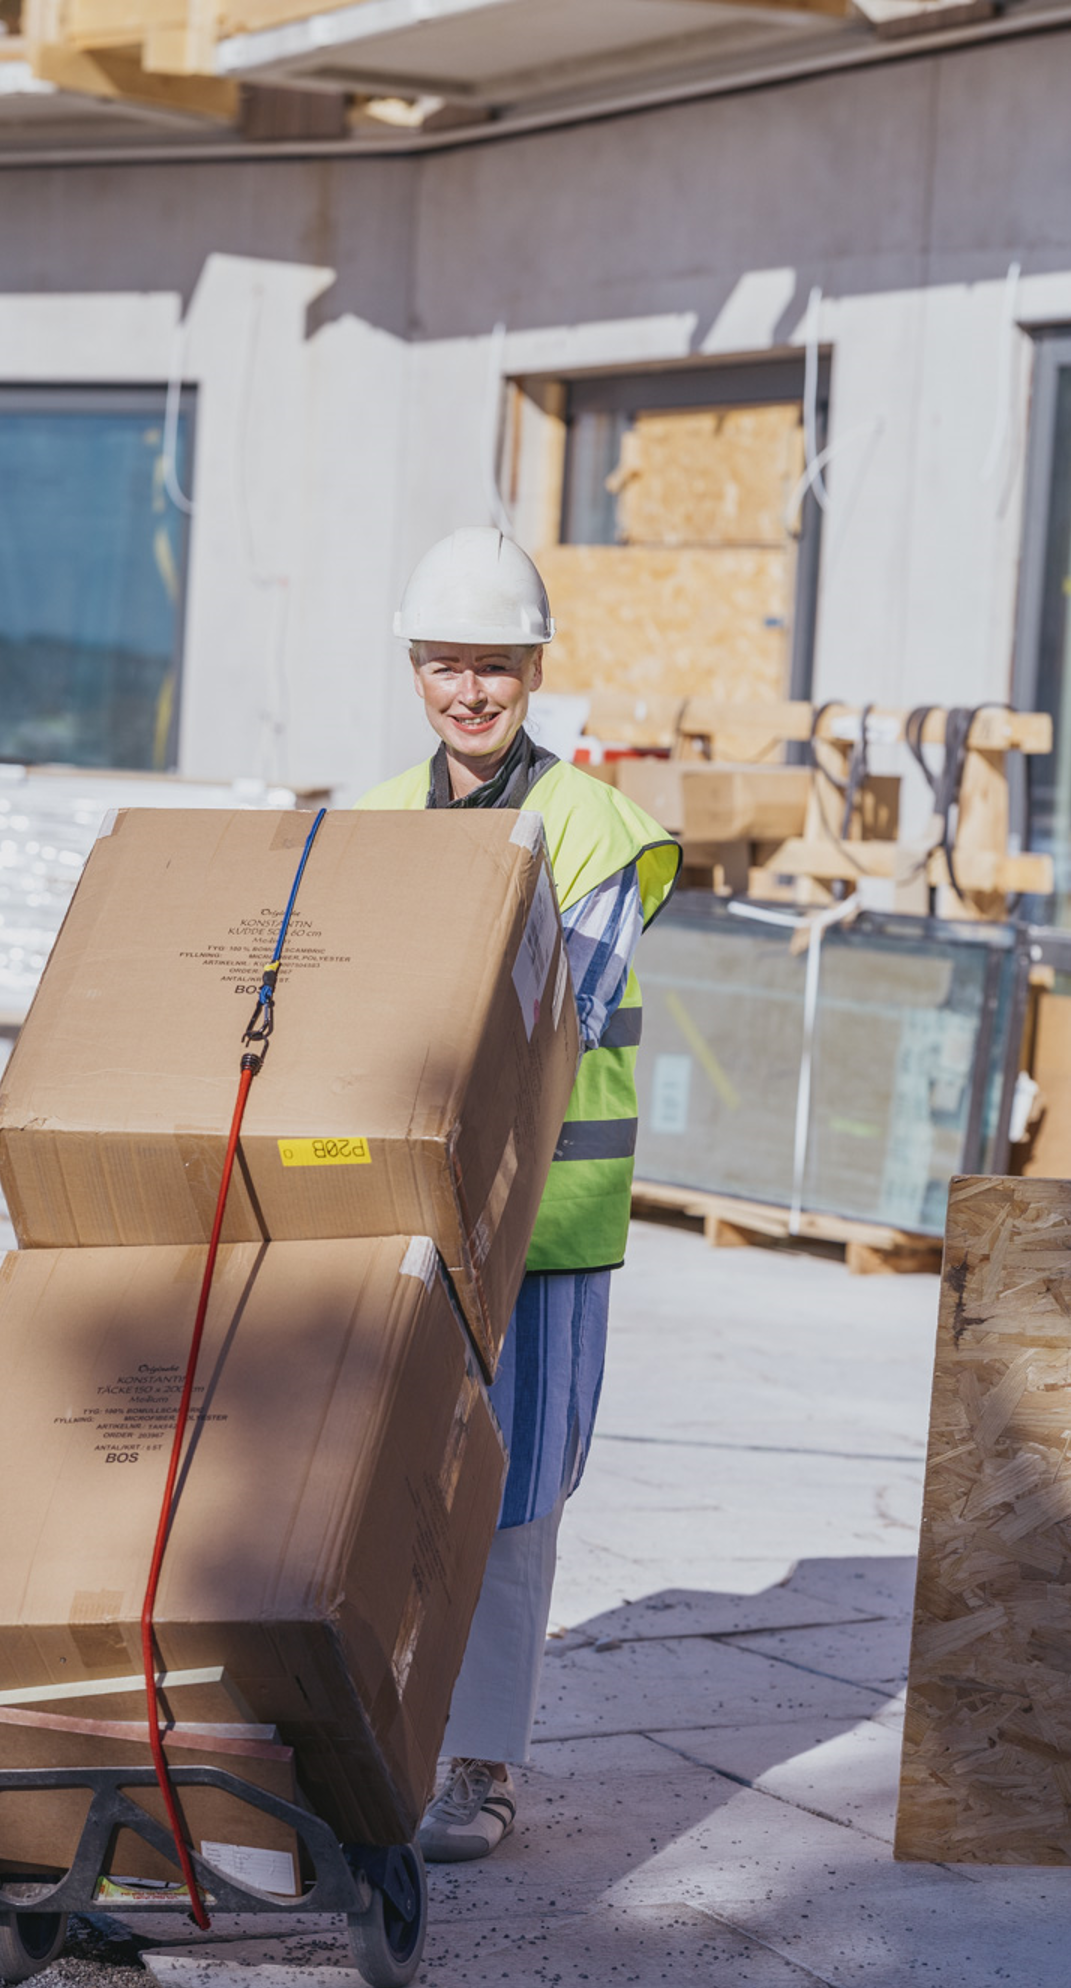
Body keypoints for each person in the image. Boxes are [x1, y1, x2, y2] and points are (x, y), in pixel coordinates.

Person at [357, 527, 680, 1863]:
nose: (467, 693)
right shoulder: (368, 822)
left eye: (492, 667)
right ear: (415, 671)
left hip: (536, 1229)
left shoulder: (592, 830)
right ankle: (372, 1727)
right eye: (443, 665)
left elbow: (555, 1021)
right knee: (374, 1481)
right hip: (391, 1216)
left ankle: (480, 1765)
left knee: (517, 1491)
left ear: (533, 670)